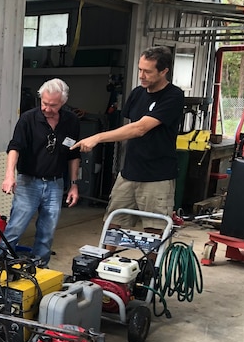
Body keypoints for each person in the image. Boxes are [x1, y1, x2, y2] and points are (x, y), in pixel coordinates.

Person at [71, 46, 184, 230]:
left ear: (164, 71)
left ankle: (151, 260)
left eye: (147, 71)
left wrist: (98, 137)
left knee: (154, 231)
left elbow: (139, 128)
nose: (141, 75)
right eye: (140, 69)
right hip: (129, 172)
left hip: (157, 176)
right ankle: (106, 259)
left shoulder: (173, 96)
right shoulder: (137, 93)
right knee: (112, 224)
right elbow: (129, 127)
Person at [1, 78, 80, 267]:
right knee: (15, 228)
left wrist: (74, 185)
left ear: (63, 102)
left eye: (53, 105)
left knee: (47, 232)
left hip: (55, 184)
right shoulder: (28, 119)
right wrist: (9, 175)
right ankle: (0, 266)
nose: (47, 108)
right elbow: (15, 147)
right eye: (44, 103)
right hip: (29, 181)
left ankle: (39, 269)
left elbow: (74, 154)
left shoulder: (71, 121)